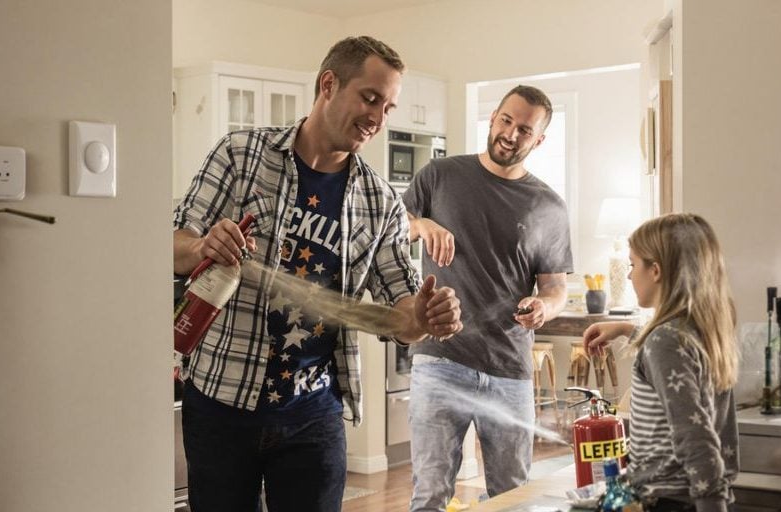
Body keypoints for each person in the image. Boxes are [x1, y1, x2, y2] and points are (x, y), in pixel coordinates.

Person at [172, 36, 463, 512]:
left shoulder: (380, 202)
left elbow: (402, 314)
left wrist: (426, 317)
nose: (378, 118)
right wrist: (203, 246)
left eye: (388, 107)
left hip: (312, 414)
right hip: (221, 405)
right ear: (328, 84)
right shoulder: (240, 156)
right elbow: (171, 245)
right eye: (370, 98)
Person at [402, 85, 573, 511]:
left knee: (512, 496)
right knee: (430, 495)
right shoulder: (440, 175)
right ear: (494, 117)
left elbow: (555, 286)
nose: (511, 134)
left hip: (509, 368)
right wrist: (423, 225)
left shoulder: (549, 206)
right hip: (440, 359)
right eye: (506, 121)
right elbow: (394, 224)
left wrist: (544, 306)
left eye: (525, 130)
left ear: (539, 140)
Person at [583, 213, 740, 512]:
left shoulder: (664, 342)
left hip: (670, 501)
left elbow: (695, 437)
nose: (629, 275)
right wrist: (627, 330)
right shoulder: (704, 331)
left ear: (655, 270)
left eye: (632, 264)